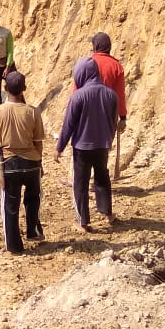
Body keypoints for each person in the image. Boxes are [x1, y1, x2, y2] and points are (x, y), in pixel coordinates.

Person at [0, 71, 45, 255]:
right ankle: (33, 231)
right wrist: (39, 163)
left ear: (5, 88)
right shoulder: (33, 112)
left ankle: (14, 245)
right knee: (33, 199)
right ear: (24, 89)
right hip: (31, 164)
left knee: (10, 206)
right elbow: (38, 143)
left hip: (9, 165)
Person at [55, 58, 119, 233]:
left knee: (80, 183)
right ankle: (108, 214)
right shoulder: (111, 94)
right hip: (102, 145)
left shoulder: (78, 96)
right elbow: (113, 121)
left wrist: (60, 147)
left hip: (82, 147)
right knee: (102, 178)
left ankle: (82, 221)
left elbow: (69, 124)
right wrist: (108, 139)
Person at [88, 31, 128, 130]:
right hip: (108, 113)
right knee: (104, 144)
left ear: (95, 47)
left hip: (87, 111)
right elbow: (120, 94)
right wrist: (122, 117)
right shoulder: (116, 66)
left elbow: (77, 91)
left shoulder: (87, 63)